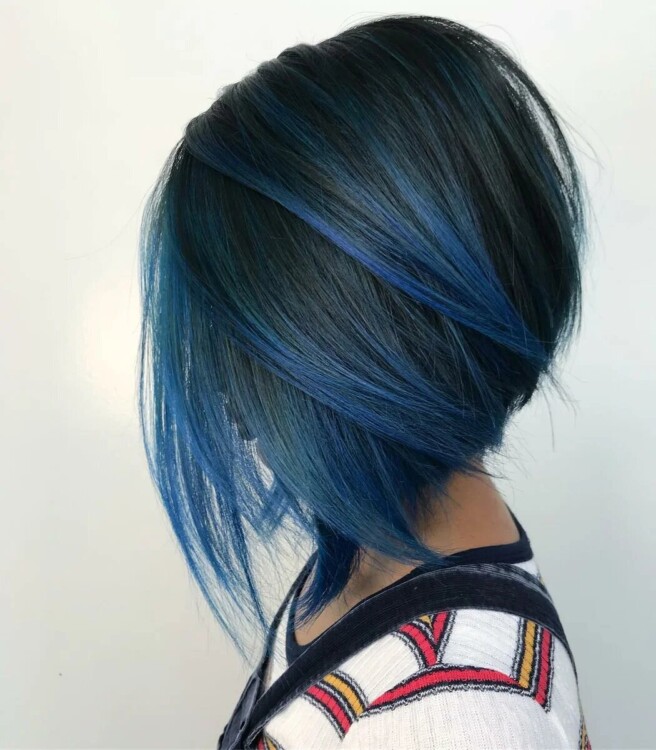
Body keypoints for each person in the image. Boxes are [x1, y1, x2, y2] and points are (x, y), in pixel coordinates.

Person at [137, 14, 591, 748]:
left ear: (352, 349)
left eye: (242, 346)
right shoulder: (370, 551)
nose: (224, 393)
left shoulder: (450, 720)